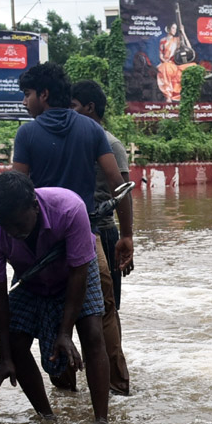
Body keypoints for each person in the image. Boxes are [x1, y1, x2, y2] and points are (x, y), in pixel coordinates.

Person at [14, 62, 131, 396]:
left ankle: (64, 390)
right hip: (87, 239)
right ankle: (117, 388)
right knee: (102, 317)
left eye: (27, 94)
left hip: (44, 246)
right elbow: (118, 185)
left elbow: (18, 191)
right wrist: (127, 234)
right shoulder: (92, 131)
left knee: (49, 313)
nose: (25, 102)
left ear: (44, 94)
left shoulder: (28, 133)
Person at [0, 171, 108, 424]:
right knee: (15, 343)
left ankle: (101, 421)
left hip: (75, 272)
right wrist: (4, 357)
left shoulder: (70, 209)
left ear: (34, 206)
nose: (15, 232)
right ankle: (47, 419)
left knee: (93, 333)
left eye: (19, 224)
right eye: (7, 226)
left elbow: (78, 273)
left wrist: (64, 332)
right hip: (30, 278)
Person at [69, 78, 133, 395]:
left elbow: (121, 191)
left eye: (74, 107)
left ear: (90, 108)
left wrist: (128, 237)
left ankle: (115, 382)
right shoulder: (72, 140)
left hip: (104, 232)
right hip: (77, 233)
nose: (69, 113)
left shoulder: (110, 143)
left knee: (107, 310)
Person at [156, 23, 197, 103]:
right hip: (168, 64)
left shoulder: (178, 39)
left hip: (177, 64)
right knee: (166, 67)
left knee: (192, 66)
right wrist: (165, 61)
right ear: (168, 29)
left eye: (176, 28)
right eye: (173, 28)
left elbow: (190, 49)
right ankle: (168, 96)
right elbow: (161, 55)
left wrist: (183, 33)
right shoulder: (163, 40)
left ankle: (186, 96)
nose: (175, 30)